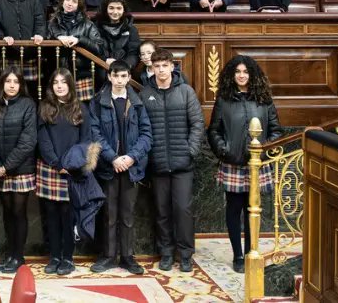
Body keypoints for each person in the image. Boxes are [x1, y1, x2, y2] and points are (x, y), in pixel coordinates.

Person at [208, 56, 283, 274]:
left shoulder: (264, 99)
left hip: (257, 163)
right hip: (233, 163)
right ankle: (238, 255)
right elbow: (214, 130)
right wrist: (224, 150)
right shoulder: (224, 99)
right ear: (232, 75)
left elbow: (276, 130)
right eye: (238, 72)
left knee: (253, 210)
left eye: (246, 72)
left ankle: (252, 250)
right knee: (234, 209)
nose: (242, 75)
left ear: (253, 75)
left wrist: (264, 149)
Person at [140, 48, 204, 273]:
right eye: (156, 66)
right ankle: (166, 253)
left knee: (183, 210)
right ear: (152, 68)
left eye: (165, 65)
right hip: (157, 164)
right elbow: (142, 128)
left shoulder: (186, 91)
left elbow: (197, 123)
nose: (161, 70)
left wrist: (190, 150)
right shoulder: (146, 93)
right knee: (162, 210)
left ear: (172, 67)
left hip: (182, 164)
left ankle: (185, 255)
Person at [88, 62, 152, 276]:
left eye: (124, 76)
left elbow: (146, 134)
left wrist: (131, 157)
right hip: (109, 167)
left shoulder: (137, 101)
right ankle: (108, 256)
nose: (120, 80)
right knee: (109, 214)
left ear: (128, 77)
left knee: (127, 214)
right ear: (109, 77)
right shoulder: (98, 102)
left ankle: (127, 256)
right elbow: (94, 134)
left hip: (131, 167)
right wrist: (113, 158)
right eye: (116, 76)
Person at [36, 69, 96, 276]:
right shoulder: (45, 108)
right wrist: (55, 162)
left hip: (72, 170)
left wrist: (70, 163)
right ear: (51, 86)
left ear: (70, 85)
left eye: (63, 82)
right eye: (55, 82)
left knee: (68, 216)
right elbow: (42, 140)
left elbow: (86, 140)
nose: (60, 86)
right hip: (50, 168)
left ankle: (68, 258)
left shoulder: (81, 108)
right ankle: (54, 256)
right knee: (51, 215)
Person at [0, 65, 37, 274]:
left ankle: (19, 256)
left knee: (19, 212)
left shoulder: (28, 105)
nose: (11, 85)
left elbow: (28, 141)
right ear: (2, 83)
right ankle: (10, 254)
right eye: (8, 81)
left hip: (20, 168)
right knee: (7, 213)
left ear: (21, 84)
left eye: (16, 82)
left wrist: (6, 166)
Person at [47, 0, 106, 101]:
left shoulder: (88, 25)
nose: (70, 3)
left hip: (81, 76)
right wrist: (58, 37)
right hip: (59, 76)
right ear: (62, 1)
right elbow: (45, 44)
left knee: (83, 113)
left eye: (74, 1)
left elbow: (100, 49)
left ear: (79, 5)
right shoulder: (52, 24)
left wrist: (80, 40)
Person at [93, 0, 141, 88]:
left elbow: (134, 54)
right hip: (100, 75)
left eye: (119, 8)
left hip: (122, 76)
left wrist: (121, 67)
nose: (115, 12)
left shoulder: (131, 29)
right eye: (111, 8)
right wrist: (104, 60)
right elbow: (93, 49)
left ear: (124, 10)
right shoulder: (96, 27)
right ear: (106, 9)